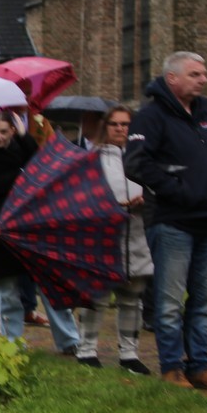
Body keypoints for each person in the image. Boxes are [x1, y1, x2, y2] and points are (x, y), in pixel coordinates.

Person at [125, 51, 207, 392]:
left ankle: (199, 367)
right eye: (196, 74)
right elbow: (137, 163)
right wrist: (178, 191)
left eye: (204, 74)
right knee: (169, 302)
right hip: (172, 222)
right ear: (173, 78)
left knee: (204, 299)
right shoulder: (150, 117)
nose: (204, 79)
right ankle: (171, 368)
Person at [0, 111, 78, 348]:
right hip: (2, 229)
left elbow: (41, 163)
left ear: (12, 131)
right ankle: (12, 342)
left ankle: (69, 340)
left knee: (49, 286)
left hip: (32, 227)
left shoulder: (22, 149)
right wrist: (22, 175)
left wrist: (24, 137)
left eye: (3, 131)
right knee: (8, 291)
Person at [77, 106, 153, 374]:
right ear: (105, 127)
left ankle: (129, 354)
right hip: (103, 238)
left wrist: (145, 200)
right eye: (115, 124)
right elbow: (82, 196)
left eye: (126, 124)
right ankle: (86, 349)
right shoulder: (92, 159)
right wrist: (110, 205)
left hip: (136, 235)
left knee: (132, 298)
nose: (121, 129)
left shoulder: (144, 156)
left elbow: (157, 189)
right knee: (96, 297)